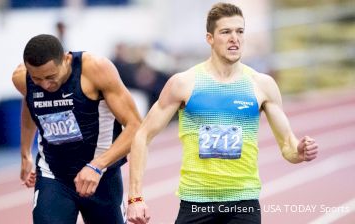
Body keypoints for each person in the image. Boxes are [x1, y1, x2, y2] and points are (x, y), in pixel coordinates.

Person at [127, 3, 319, 224]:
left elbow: (288, 147)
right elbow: (142, 136)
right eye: (226, 32)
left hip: (243, 203)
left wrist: (300, 151)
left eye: (240, 31)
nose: (234, 38)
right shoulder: (184, 83)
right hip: (196, 202)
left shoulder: (262, 85)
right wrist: (135, 197)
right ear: (210, 38)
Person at [12, 34, 141, 224]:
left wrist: (97, 165)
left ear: (65, 59)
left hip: (101, 176)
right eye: (37, 79)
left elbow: (136, 126)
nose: (46, 85)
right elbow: (30, 104)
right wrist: (25, 153)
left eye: (51, 77)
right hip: (54, 175)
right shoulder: (21, 78)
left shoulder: (96, 69)